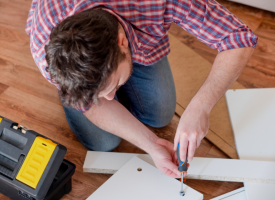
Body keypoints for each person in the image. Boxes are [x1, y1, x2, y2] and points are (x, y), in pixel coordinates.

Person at [26, 0, 257, 178]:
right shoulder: (48, 49)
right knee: (103, 143)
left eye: (113, 86)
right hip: (95, 44)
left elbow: (239, 37)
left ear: (121, 41)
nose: (109, 98)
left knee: (160, 114)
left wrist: (200, 107)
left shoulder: (159, 3)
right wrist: (152, 145)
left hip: (137, 29)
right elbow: (93, 103)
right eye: (99, 93)